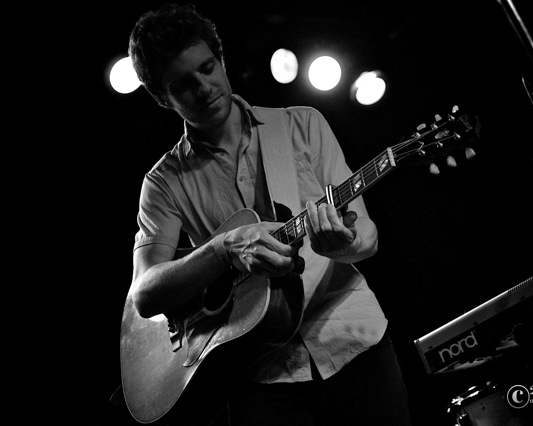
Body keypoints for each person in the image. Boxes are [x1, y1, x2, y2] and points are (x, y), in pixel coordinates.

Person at [126, 4, 413, 426]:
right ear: (161, 98)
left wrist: (344, 244)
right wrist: (223, 248)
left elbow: (366, 233)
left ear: (221, 60)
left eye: (207, 68)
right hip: (259, 374)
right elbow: (145, 294)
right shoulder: (164, 181)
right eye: (184, 85)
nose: (203, 88)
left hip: (353, 342)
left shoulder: (302, 124)